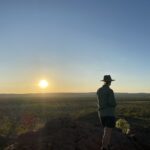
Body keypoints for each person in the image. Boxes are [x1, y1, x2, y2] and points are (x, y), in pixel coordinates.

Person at [97, 75, 117, 150]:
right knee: (108, 131)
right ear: (109, 82)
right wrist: (115, 104)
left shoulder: (99, 90)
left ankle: (105, 145)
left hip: (101, 114)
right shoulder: (109, 91)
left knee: (106, 130)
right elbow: (112, 102)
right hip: (109, 114)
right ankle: (104, 147)